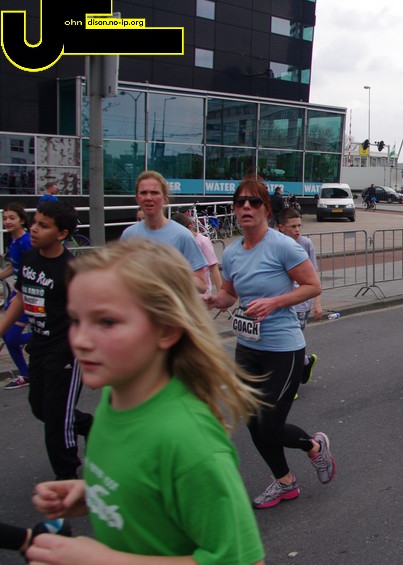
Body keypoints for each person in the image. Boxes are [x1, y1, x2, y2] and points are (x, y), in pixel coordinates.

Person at [29, 240, 265, 564]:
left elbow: (243, 560)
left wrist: (100, 560)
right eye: (75, 320)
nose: (80, 340)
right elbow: (148, 488)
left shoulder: (188, 439)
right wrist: (95, 495)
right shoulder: (116, 396)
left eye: (106, 322)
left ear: (166, 330)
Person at [204, 179, 335, 509]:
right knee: (253, 422)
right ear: (234, 210)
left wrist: (274, 302)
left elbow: (313, 286)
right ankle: (285, 482)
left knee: (270, 425)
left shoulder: (283, 246)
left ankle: (314, 446)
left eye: (254, 202)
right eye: (240, 202)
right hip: (248, 347)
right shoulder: (232, 252)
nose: (246, 207)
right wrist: (214, 299)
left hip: (283, 348)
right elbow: (229, 294)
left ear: (266, 209)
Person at [0, 201, 92, 479]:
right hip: (39, 346)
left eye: (43, 225)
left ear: (62, 234)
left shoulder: (71, 270)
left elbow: (89, 315)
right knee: (40, 407)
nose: (34, 229)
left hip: (65, 351)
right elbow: (20, 296)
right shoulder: (30, 258)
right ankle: (88, 425)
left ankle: (66, 478)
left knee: (57, 419)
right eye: (35, 222)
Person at [121, 171, 209, 293]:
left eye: (154, 193)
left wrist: (172, 275)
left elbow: (202, 285)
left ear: (165, 198)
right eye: (143, 193)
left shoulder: (183, 236)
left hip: (172, 305)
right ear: (137, 198)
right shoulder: (128, 235)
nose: (148, 198)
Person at [278, 208, 322, 387]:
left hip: (302, 304)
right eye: (293, 226)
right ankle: (305, 362)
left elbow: (315, 275)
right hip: (282, 302)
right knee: (284, 343)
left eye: (299, 226)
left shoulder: (306, 244)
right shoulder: (276, 245)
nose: (297, 230)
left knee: (292, 343)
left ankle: (290, 384)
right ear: (281, 227)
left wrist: (317, 303)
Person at [1, 202, 32, 389]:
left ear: (21, 220)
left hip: (27, 296)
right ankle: (26, 374)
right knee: (7, 336)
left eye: (12, 218)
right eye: (5, 218)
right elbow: (14, 268)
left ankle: (58, 337)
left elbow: (34, 269)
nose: (7, 221)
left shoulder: (26, 242)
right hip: (17, 293)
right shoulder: (12, 241)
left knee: (11, 337)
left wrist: (21, 293)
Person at [171, 212, 222, 296]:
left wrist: (220, 294)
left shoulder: (202, 241)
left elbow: (214, 268)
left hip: (201, 293)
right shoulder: (176, 242)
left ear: (190, 227)